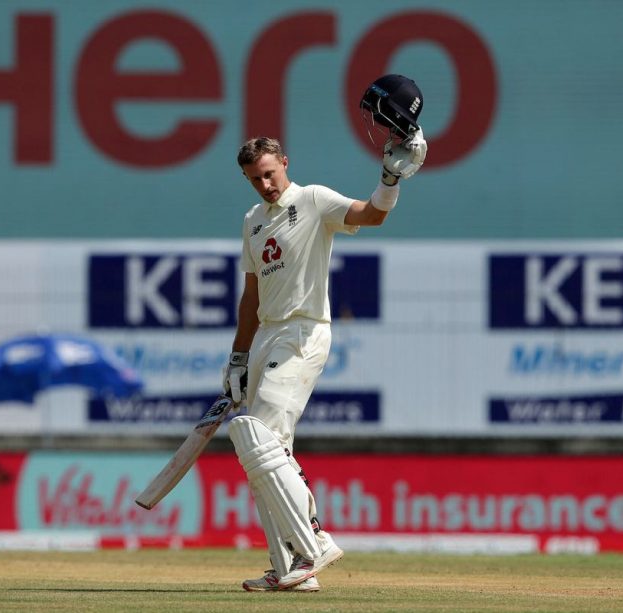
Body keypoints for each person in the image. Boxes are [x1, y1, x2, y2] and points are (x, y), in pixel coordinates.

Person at [222, 74, 427, 592]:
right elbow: (251, 298)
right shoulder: (252, 221)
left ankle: (312, 543)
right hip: (267, 336)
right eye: (255, 179)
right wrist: (238, 358)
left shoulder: (311, 200)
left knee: (256, 436)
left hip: (304, 332)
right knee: (266, 455)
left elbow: (370, 215)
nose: (265, 185)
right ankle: (290, 568)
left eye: (269, 173)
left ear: (284, 163)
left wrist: (390, 179)